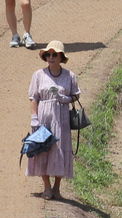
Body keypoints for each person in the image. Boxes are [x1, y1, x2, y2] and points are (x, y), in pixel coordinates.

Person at [28, 40, 80, 200]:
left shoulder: (70, 76)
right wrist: (34, 118)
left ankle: (57, 186)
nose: (51, 57)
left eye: (54, 54)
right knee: (42, 149)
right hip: (44, 117)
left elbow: (76, 95)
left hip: (61, 117)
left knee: (60, 149)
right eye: (48, 54)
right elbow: (33, 98)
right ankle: (47, 186)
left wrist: (63, 98)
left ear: (61, 57)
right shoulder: (38, 75)